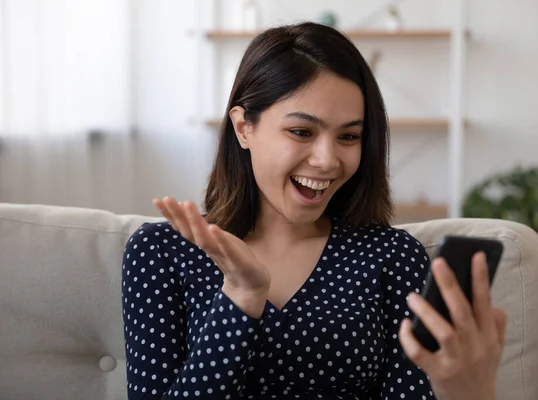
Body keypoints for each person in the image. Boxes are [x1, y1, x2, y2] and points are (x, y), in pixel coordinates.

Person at [121, 21, 507, 399]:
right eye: (302, 132)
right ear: (243, 128)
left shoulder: (392, 258)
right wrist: (241, 295)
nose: (327, 160)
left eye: (349, 136)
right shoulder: (162, 251)